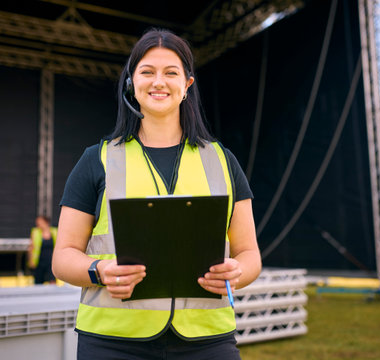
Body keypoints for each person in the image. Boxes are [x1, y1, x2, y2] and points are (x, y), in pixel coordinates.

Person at [52, 28, 261, 360]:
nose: (158, 82)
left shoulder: (222, 160)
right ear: (131, 84)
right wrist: (99, 271)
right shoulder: (97, 159)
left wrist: (238, 271)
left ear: (187, 85)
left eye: (171, 73)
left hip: (207, 341)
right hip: (113, 341)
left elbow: (249, 253)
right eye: (147, 72)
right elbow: (62, 256)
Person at [28, 215, 57, 284]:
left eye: (40, 222)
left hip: (51, 262)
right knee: (38, 282)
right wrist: (30, 260)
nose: (38, 224)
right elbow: (31, 247)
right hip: (39, 261)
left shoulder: (55, 232)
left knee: (52, 281)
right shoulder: (35, 232)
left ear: (46, 222)